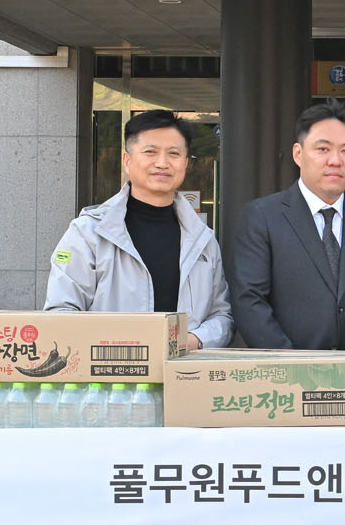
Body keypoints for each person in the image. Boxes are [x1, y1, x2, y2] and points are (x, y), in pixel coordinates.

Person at [44, 109, 231, 349]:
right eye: (150, 152)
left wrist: (191, 341)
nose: (162, 163)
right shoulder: (88, 233)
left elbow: (221, 315)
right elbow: (61, 312)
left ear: (186, 163)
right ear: (127, 160)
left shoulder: (202, 238)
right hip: (109, 371)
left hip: (183, 368)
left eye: (174, 154)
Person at [229, 99, 345, 351]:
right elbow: (249, 301)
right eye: (323, 149)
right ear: (298, 154)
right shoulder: (262, 217)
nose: (336, 160)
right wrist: (294, 364)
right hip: (287, 368)